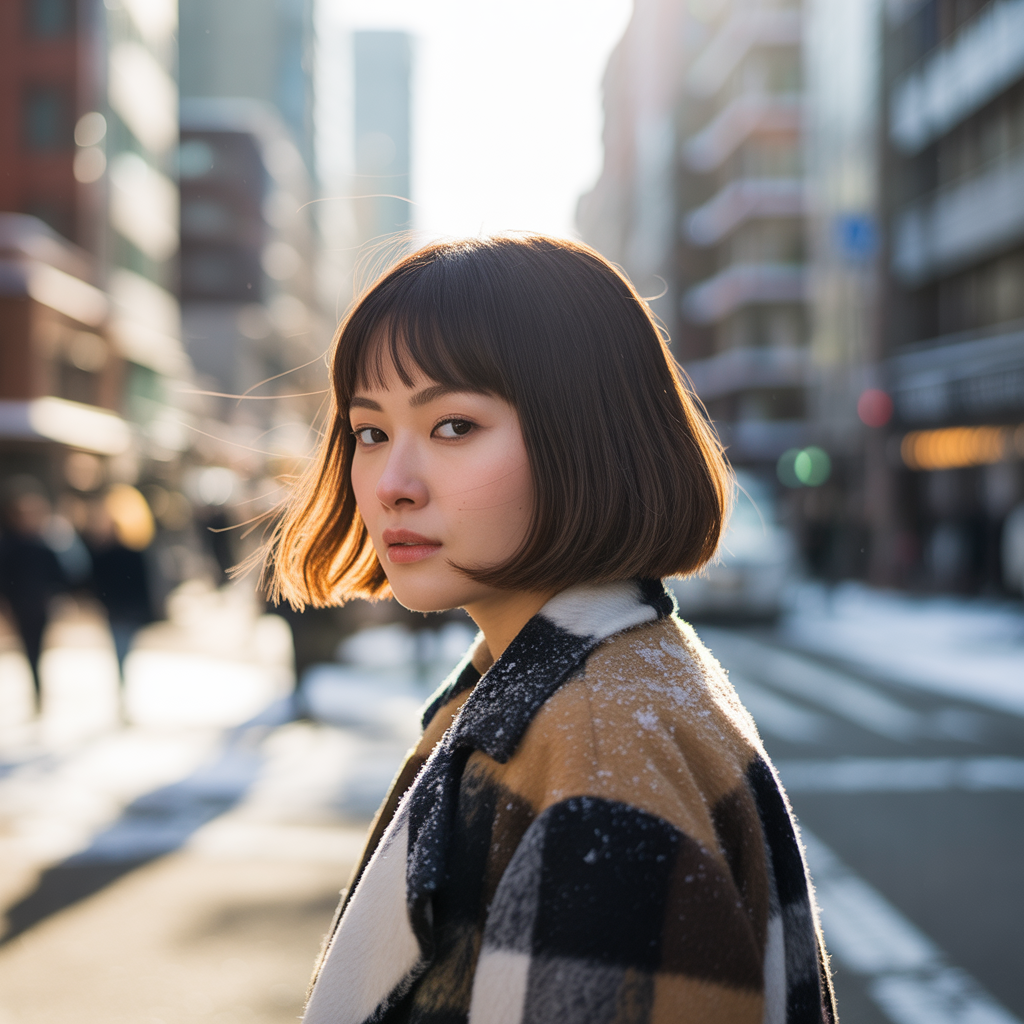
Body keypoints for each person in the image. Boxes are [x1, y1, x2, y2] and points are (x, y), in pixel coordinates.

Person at [265, 236, 837, 1023]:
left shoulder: (600, 753)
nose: (392, 484)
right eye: (370, 432)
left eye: (454, 426)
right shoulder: (594, 690)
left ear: (586, 434)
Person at [0, 477, 70, 713]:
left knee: (39, 646)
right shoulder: (10, 544)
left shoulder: (45, 543)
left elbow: (59, 575)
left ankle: (39, 686)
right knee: (29, 647)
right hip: (20, 604)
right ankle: (36, 687)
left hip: (42, 604)